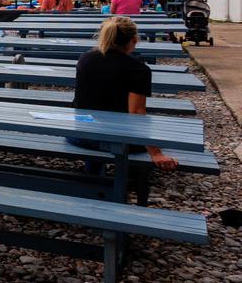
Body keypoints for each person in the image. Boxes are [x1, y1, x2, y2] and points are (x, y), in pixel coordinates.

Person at [71, 17, 177, 173]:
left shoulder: (85, 59)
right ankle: (132, 176)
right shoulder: (138, 69)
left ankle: (94, 172)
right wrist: (155, 153)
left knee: (97, 117)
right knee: (164, 134)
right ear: (134, 39)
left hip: (78, 135)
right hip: (117, 138)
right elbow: (136, 113)